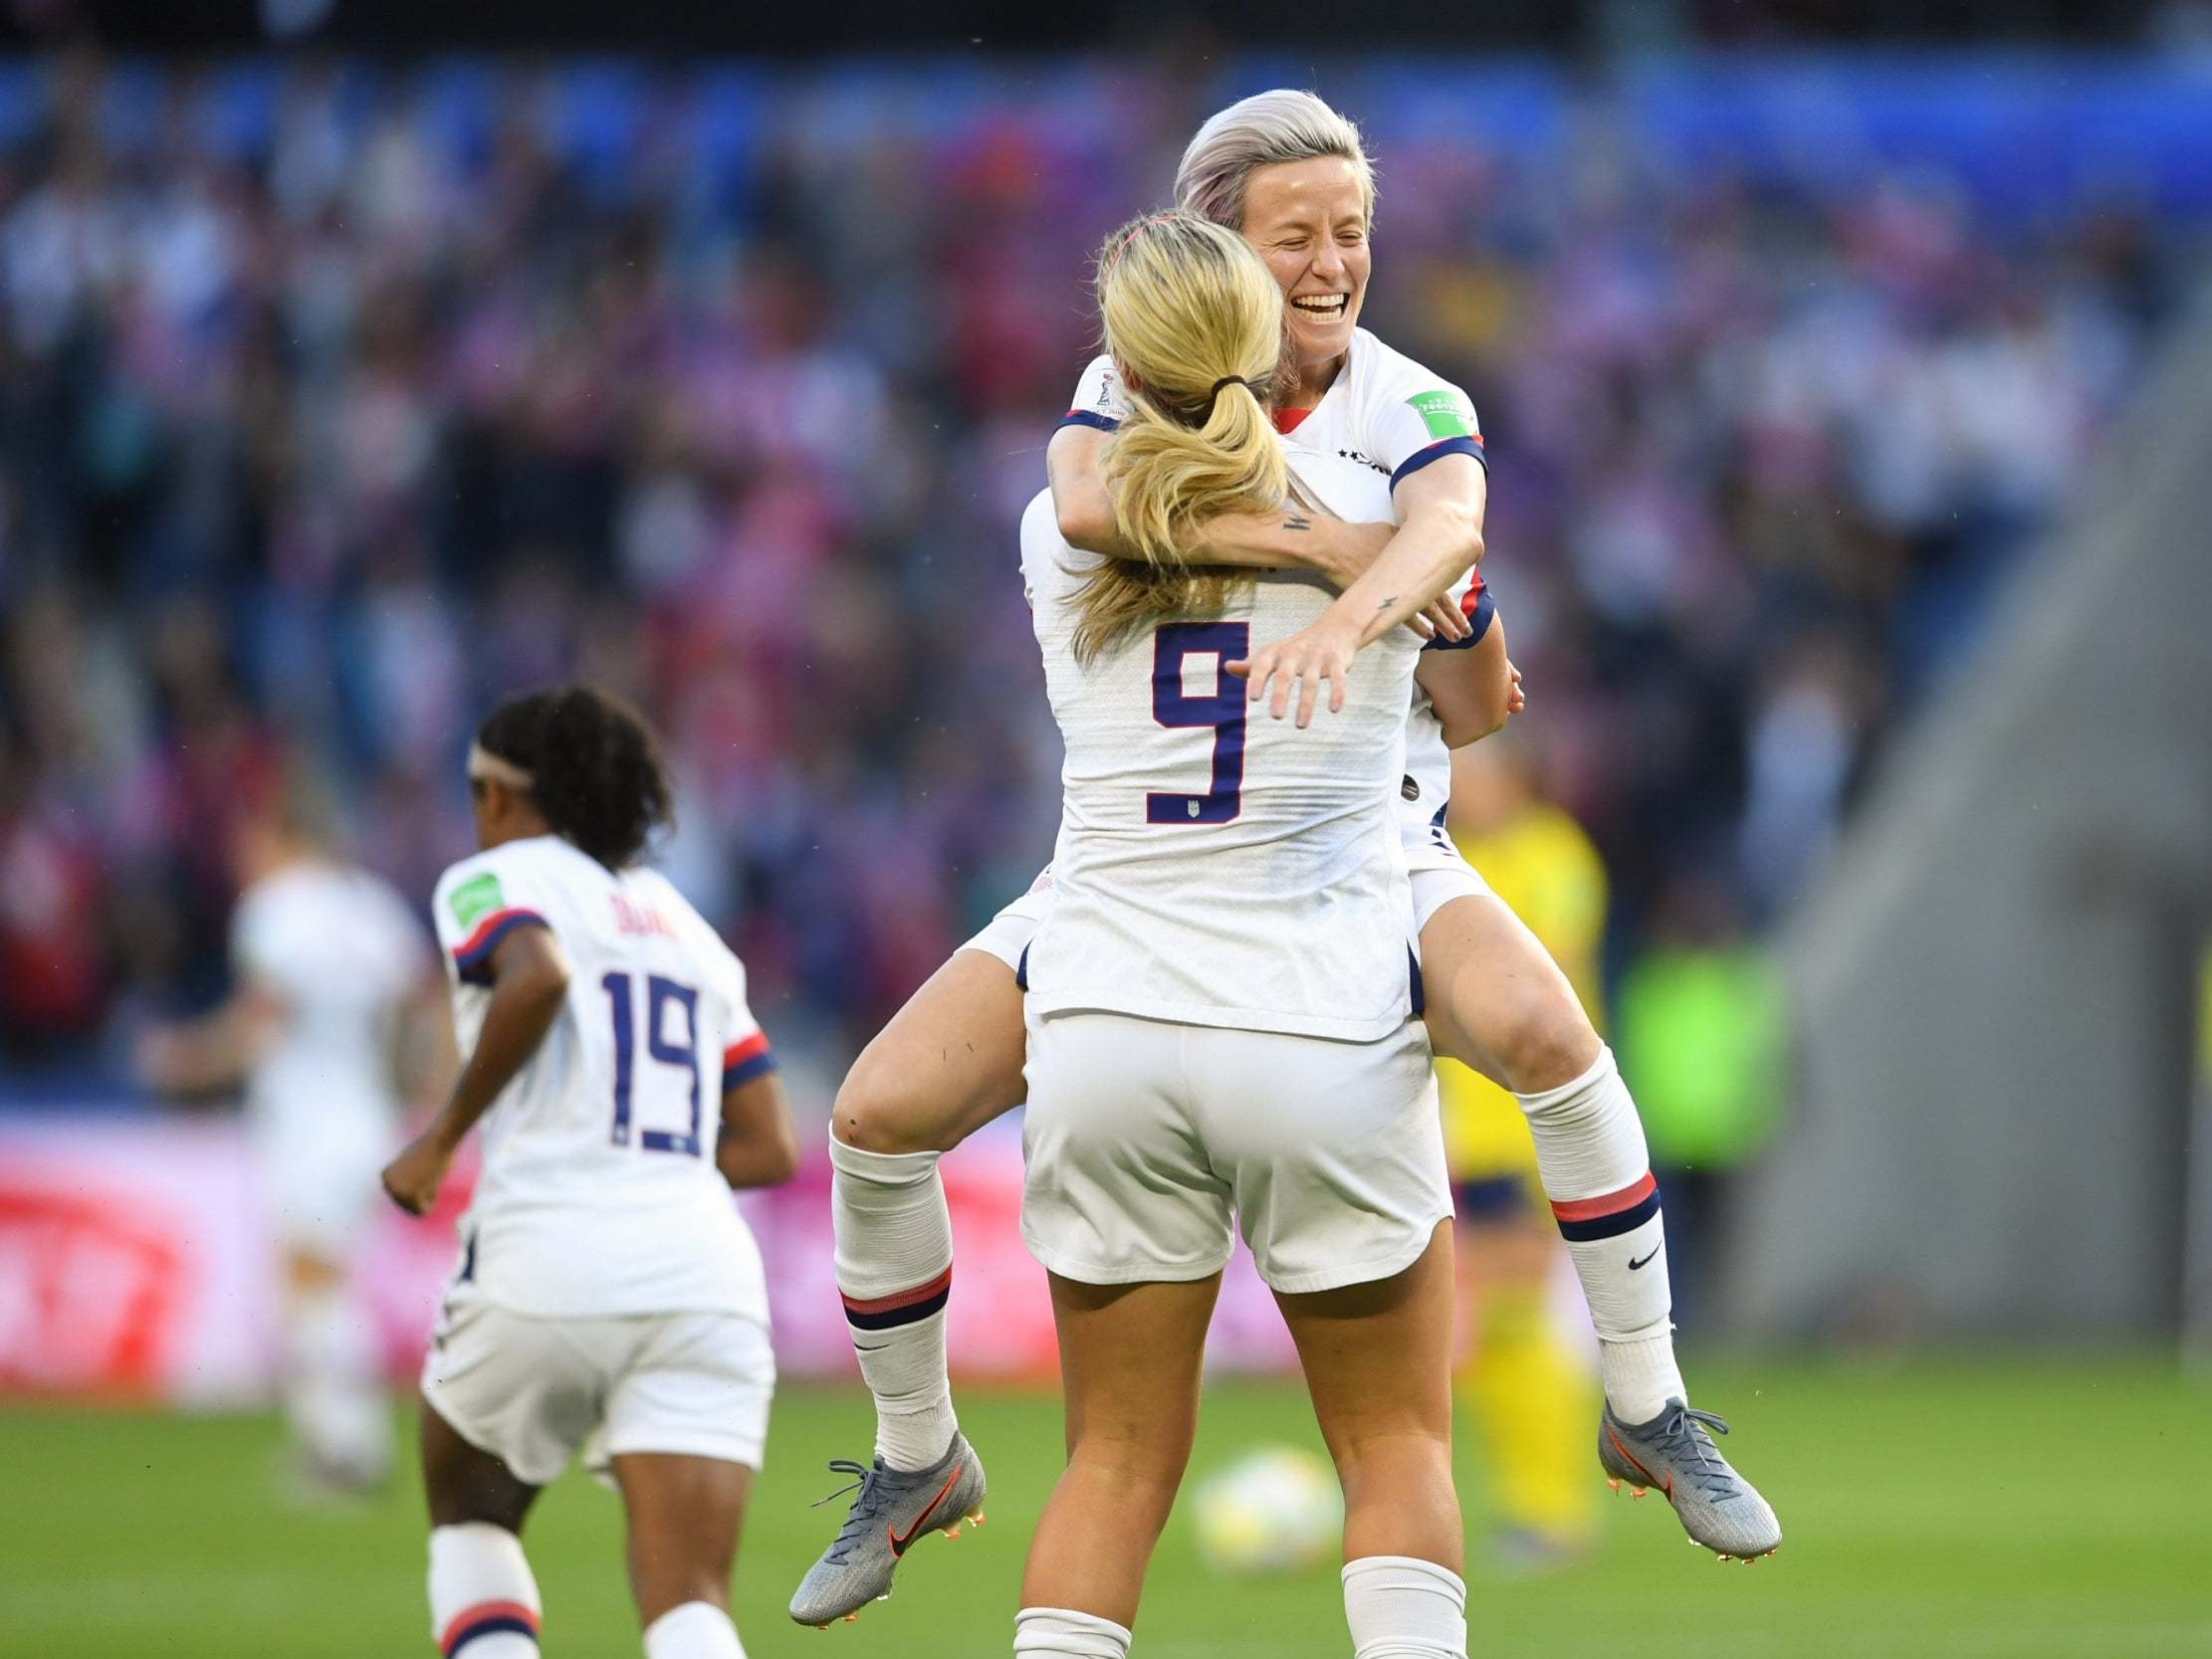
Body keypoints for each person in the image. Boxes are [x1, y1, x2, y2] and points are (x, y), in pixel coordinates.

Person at [796, 90, 1777, 1625]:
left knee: (1540, 1039)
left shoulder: (1344, 407)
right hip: (1290, 897)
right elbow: (1452, 632)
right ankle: (1642, 1390)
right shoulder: (1141, 425)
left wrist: (1405, 599)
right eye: (1296, 238)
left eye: (1352, 233)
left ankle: (1645, 1399)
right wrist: (1349, 560)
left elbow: (1447, 618)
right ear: (1219, 263)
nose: (1332, 264)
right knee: (1464, 1250)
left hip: (1231, 888)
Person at [1020, 208, 1489, 1659]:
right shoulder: (1375, 532)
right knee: (1397, 1439)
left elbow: (1097, 489)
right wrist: (1387, 573)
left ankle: (912, 1433)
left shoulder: (1058, 524)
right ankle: (1653, 1385)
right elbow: (1475, 698)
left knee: (1109, 1457)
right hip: (1313, 1014)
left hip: (1106, 1021)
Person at [379, 685, 799, 1659]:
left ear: (498, 794)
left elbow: (537, 974)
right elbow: (770, 1142)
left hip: (546, 1250)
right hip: (704, 1274)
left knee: (472, 1514)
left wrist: (439, 1137)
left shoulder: (493, 876)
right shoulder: (687, 926)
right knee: (689, 1599)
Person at [138, 762, 446, 1495]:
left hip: (308, 1121)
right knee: (320, 1281)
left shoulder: (274, 908)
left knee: (313, 1282)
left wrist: (185, 1060)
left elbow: (261, 1019)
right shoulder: (369, 904)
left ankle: (349, 1449)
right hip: (370, 1118)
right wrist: (426, 1084)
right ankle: (333, 1442)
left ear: (278, 833)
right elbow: (426, 1000)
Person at [1433, 733, 1611, 1568]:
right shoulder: (1451, 856)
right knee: (1489, 1327)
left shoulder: (1549, 854)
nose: (1465, 791)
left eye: (1478, 776)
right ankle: (1529, 1506)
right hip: (1458, 1133)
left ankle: (1555, 1508)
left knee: (1513, 1315)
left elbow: (1547, 977)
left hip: (1523, 1129)